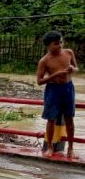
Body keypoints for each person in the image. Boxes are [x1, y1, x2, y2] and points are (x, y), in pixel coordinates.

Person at [36, 30, 78, 158]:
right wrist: (55, 75)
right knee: (51, 119)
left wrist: (72, 69)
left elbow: (77, 69)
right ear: (48, 45)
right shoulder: (44, 61)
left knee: (69, 118)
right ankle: (49, 147)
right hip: (53, 90)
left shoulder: (69, 52)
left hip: (68, 88)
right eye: (56, 43)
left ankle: (71, 148)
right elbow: (39, 81)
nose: (60, 45)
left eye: (61, 42)